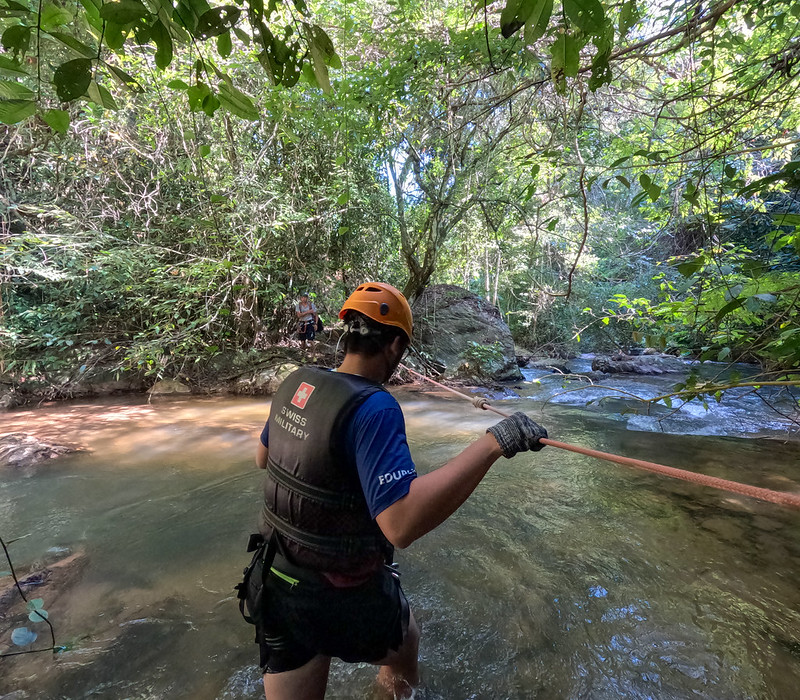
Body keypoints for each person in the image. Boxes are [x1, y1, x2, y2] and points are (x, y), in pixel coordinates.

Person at [247, 281, 547, 700]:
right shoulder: (375, 407)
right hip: (339, 595)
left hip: (275, 581)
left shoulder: (297, 382)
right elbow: (400, 525)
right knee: (406, 644)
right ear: (395, 346)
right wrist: (494, 444)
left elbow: (263, 458)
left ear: (347, 333)